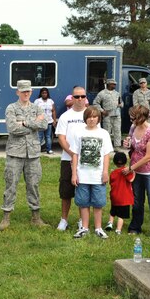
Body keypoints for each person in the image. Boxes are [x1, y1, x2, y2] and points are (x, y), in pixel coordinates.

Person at [0, 79, 48, 230]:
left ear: (31, 92)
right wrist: (33, 124)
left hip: (33, 153)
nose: (26, 93)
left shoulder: (37, 108)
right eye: (23, 91)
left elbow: (44, 125)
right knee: (11, 184)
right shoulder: (11, 108)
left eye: (28, 91)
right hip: (15, 153)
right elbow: (12, 129)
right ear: (17, 92)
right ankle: (6, 216)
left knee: (33, 185)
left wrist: (25, 123)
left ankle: (36, 216)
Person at [69, 106, 113, 238]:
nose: (92, 119)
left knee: (98, 202)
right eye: (89, 116)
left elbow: (106, 155)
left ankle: (98, 228)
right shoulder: (78, 132)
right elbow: (75, 154)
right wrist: (74, 173)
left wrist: (105, 172)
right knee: (83, 202)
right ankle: (84, 227)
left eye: (94, 117)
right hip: (82, 175)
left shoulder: (103, 133)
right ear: (85, 118)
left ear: (98, 118)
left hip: (97, 175)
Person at [123, 105, 150, 238]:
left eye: (133, 117)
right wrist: (127, 144)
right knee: (137, 201)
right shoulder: (133, 128)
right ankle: (135, 227)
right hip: (137, 170)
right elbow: (132, 145)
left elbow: (149, 156)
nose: (131, 120)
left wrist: (131, 168)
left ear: (141, 117)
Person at [55, 85, 90, 231]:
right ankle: (64, 220)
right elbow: (61, 139)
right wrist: (73, 154)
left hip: (87, 160)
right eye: (77, 97)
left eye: (82, 96)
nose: (80, 99)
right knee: (66, 191)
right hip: (67, 159)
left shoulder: (91, 115)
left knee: (83, 190)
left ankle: (83, 220)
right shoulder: (65, 116)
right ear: (72, 98)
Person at [106, 152, 133, 235]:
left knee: (113, 212)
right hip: (124, 198)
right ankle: (118, 229)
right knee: (121, 216)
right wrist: (134, 173)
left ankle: (110, 223)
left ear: (114, 162)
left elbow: (111, 183)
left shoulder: (113, 173)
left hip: (114, 197)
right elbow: (131, 180)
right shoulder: (126, 172)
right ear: (126, 161)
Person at [93, 78, 122, 148]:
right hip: (107, 115)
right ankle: (107, 147)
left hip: (117, 115)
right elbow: (95, 103)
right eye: (113, 84)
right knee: (107, 132)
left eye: (115, 84)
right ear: (108, 84)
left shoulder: (117, 93)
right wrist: (102, 111)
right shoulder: (102, 93)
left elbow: (121, 102)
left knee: (117, 131)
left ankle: (117, 147)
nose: (114, 85)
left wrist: (121, 105)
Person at [34, 87, 57, 154]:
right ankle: (37, 150)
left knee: (48, 137)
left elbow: (53, 111)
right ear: (41, 94)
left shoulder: (51, 101)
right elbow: (34, 111)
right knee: (39, 137)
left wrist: (54, 120)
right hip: (40, 122)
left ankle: (49, 149)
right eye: (43, 93)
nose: (44, 94)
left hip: (49, 122)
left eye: (45, 93)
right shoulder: (37, 101)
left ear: (47, 93)